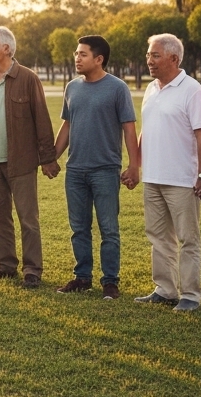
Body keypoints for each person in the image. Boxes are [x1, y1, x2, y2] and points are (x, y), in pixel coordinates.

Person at [0, 26, 59, 289]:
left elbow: (42, 119)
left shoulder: (28, 79)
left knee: (27, 218)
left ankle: (32, 270)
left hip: (21, 162)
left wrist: (48, 158)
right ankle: (6, 265)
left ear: (6, 48)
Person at [52, 35, 139, 300]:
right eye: (76, 54)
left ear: (99, 59)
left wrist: (134, 165)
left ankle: (110, 281)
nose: (77, 58)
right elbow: (67, 125)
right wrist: (51, 157)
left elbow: (128, 128)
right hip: (75, 170)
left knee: (108, 228)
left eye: (83, 54)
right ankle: (82, 277)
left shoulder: (117, 88)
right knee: (79, 227)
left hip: (105, 169)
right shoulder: (72, 87)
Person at [134, 33, 201, 312]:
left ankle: (190, 295)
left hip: (182, 179)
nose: (149, 61)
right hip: (152, 177)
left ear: (174, 58)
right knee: (158, 237)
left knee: (187, 239)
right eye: (149, 55)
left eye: (155, 55)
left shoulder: (191, 90)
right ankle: (165, 289)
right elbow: (147, 128)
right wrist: (136, 164)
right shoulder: (152, 89)